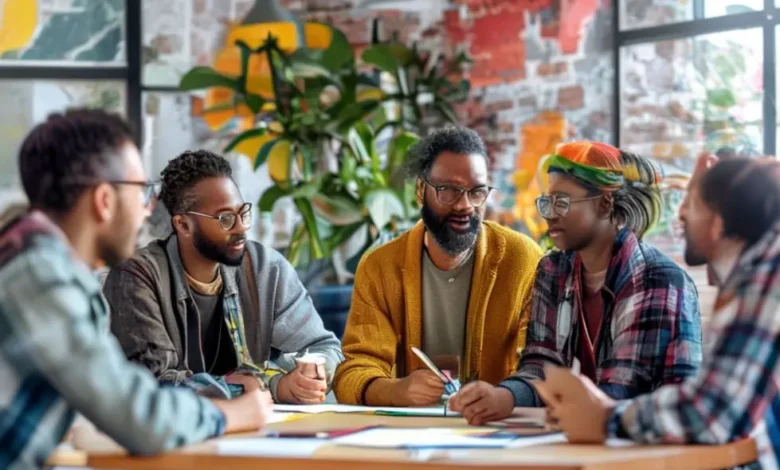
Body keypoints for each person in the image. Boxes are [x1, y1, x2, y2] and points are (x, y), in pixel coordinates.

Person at [0, 109, 269, 469]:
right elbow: (136, 414)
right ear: (104, 201)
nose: (148, 211)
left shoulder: (34, 260)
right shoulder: (40, 276)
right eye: (143, 192)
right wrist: (233, 414)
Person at [539, 156, 780, 469]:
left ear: (718, 223)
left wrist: (606, 418)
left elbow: (711, 412)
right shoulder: (755, 272)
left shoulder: (765, 275)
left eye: (691, 203)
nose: (679, 214)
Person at [450, 141, 702, 425]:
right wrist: (504, 397)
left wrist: (566, 410)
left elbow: (625, 386)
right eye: (547, 201)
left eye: (562, 201)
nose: (549, 213)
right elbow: (541, 364)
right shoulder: (553, 270)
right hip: (583, 435)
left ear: (605, 203)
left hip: (651, 448)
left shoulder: (658, 280)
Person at [103, 150, 343, 404]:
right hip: (172, 437)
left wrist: (313, 371)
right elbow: (156, 385)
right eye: (225, 218)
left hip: (254, 431)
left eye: (243, 213)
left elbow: (324, 347)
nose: (241, 227)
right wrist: (271, 386)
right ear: (183, 225)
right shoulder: (136, 277)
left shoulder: (265, 268)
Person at [333, 127, 543, 406]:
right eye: (449, 191)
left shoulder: (522, 258)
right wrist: (397, 391)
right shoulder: (380, 267)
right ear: (422, 190)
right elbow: (353, 372)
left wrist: (503, 397)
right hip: (409, 433)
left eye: (477, 192)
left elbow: (538, 365)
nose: (465, 205)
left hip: (495, 426)